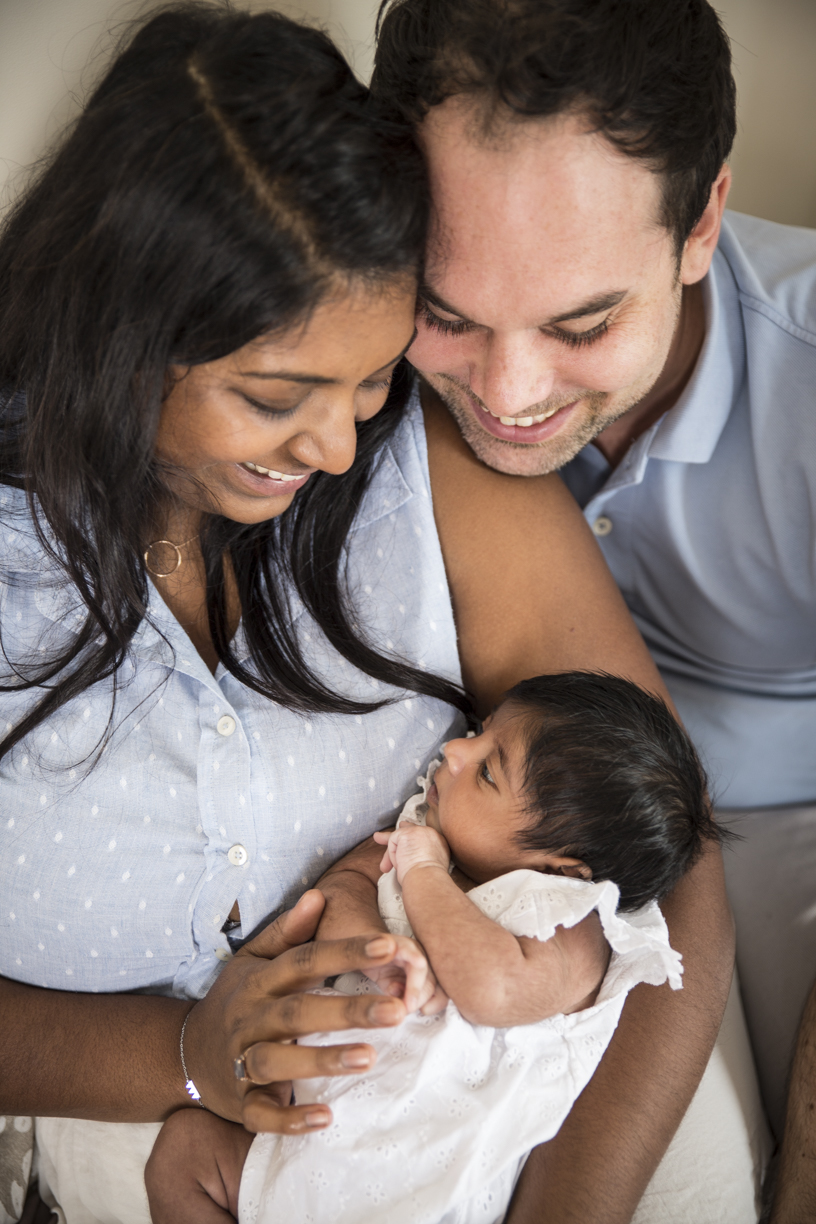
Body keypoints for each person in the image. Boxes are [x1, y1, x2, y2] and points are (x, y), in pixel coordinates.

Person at [0, 4, 684, 1221]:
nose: (334, 443)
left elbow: (662, 846)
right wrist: (182, 1055)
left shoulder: (425, 467)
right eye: (276, 396)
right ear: (118, 332)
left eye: (372, 381)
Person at [371, 0, 814, 1217]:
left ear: (701, 222)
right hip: (548, 829)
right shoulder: (357, 362)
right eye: (448, 312)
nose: (507, 397)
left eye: (584, 325)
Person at [143, 671, 718, 1224]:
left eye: (488, 772)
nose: (457, 752)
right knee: (182, 1154)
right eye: (480, 730)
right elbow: (342, 885)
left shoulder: (568, 919)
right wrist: (368, 948)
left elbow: (493, 990)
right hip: (301, 1151)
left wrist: (423, 871)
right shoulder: (425, 819)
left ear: (562, 867)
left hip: (420, 1185)